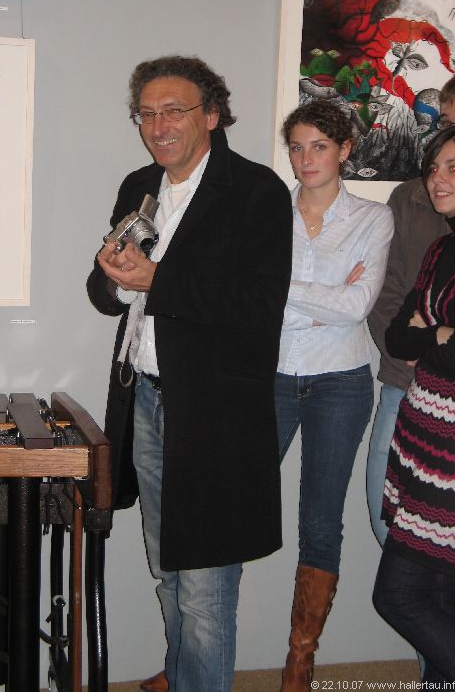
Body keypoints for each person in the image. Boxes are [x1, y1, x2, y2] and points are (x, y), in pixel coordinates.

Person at [86, 55, 293, 692]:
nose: (158, 126)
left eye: (174, 110)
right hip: (145, 403)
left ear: (211, 115)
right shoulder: (138, 185)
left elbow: (258, 305)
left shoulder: (256, 191)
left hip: (214, 415)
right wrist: (115, 279)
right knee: (169, 573)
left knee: (204, 589)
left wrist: (158, 280)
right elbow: (103, 293)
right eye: (146, 114)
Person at [275, 100, 394, 692]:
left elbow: (356, 306)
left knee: (321, 520)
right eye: (297, 147)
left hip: (341, 382)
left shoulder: (373, 218)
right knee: (230, 505)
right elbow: (249, 298)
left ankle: (301, 661)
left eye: (319, 146)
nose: (306, 159)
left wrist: (283, 291)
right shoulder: (269, 214)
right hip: (271, 375)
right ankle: (200, 655)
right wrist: (323, 300)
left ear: (345, 150)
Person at [372, 123, 455, 684]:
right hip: (421, 437)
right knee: (436, 593)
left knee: (398, 595)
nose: (437, 179)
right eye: (434, 168)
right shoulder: (441, 249)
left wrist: (425, 335)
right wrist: (437, 333)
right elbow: (396, 338)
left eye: (454, 167)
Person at [367, 68, 455, 547]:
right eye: (445, 122)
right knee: (389, 525)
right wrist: (418, 345)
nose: (449, 133)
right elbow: (388, 291)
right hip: (403, 382)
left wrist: (431, 342)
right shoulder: (410, 196)